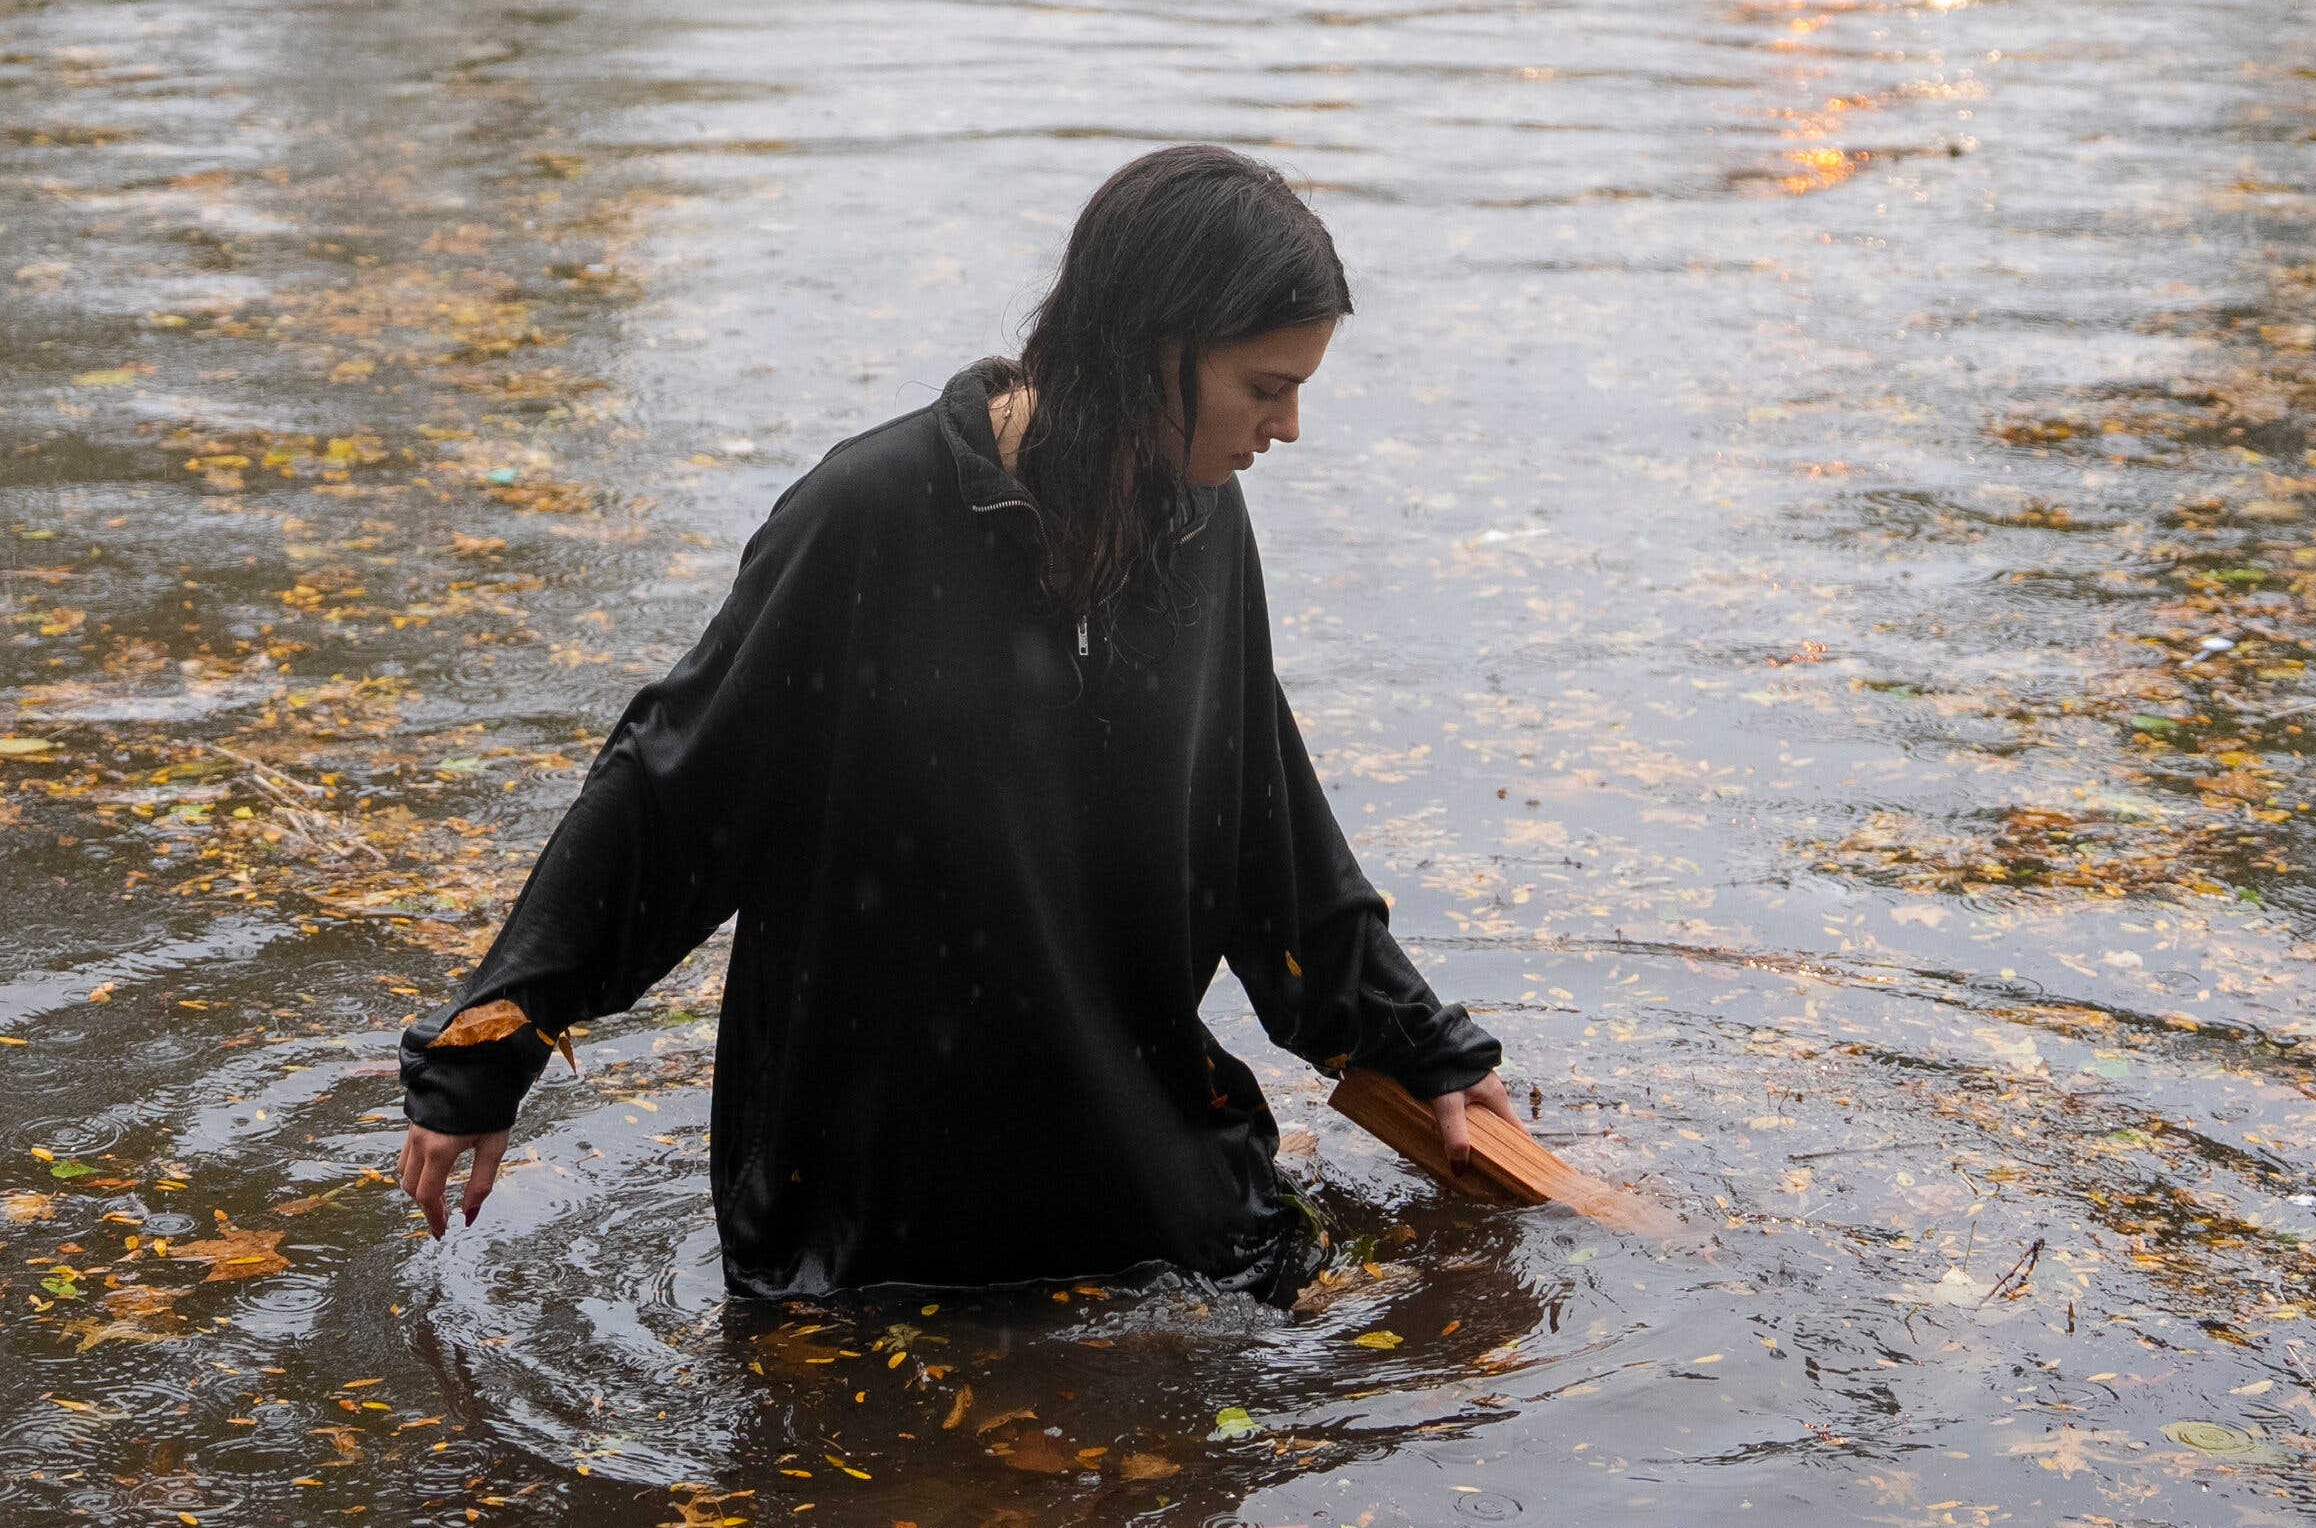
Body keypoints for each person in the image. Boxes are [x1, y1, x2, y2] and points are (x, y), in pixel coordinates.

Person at [397, 148, 1514, 1301]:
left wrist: (1417, 1045)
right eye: (1267, 387)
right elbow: (672, 791)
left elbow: (1264, 831)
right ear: (1154, 351)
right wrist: (492, 1042)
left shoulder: (1200, 526)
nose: (1286, 429)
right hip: (866, 1217)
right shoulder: (869, 515)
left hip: (1136, 1186)